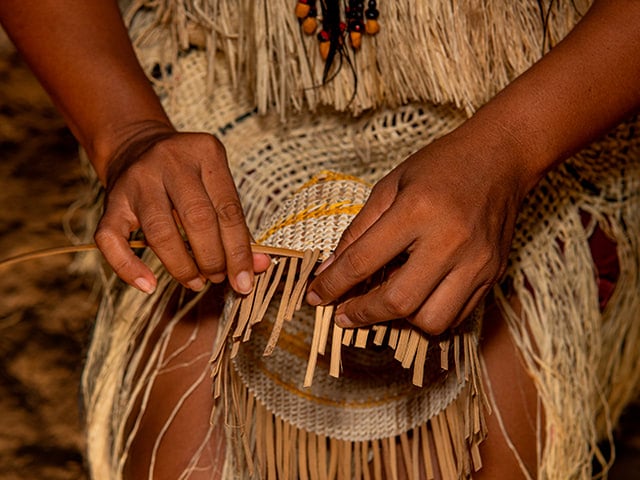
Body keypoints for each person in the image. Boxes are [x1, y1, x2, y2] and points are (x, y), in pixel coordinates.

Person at [1, 0, 639, 478]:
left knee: (452, 450)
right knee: (194, 460)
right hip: (230, 88)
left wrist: (511, 149)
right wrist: (131, 134)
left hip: (536, 100)